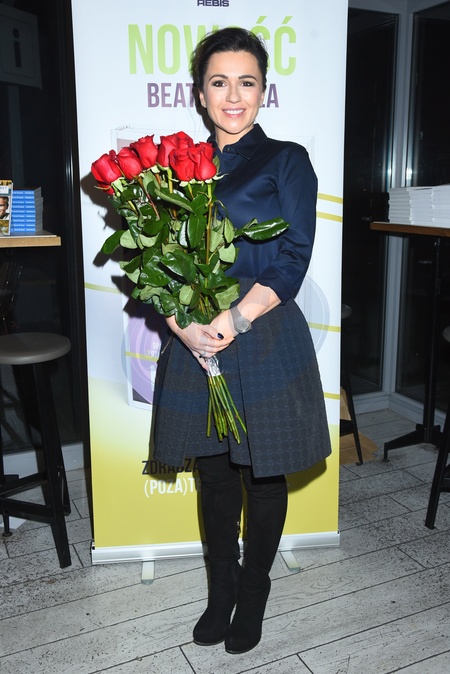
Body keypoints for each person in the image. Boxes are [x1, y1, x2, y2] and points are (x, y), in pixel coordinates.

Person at [153, 27, 331, 655]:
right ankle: (221, 590)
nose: (233, 96)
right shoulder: (173, 171)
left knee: (262, 473)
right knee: (214, 473)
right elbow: (159, 264)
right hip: (194, 333)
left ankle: (253, 592)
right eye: (219, 82)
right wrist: (181, 325)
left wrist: (236, 319)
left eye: (246, 82)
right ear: (200, 93)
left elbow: (293, 255)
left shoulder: (287, 160)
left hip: (262, 331)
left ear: (263, 91)